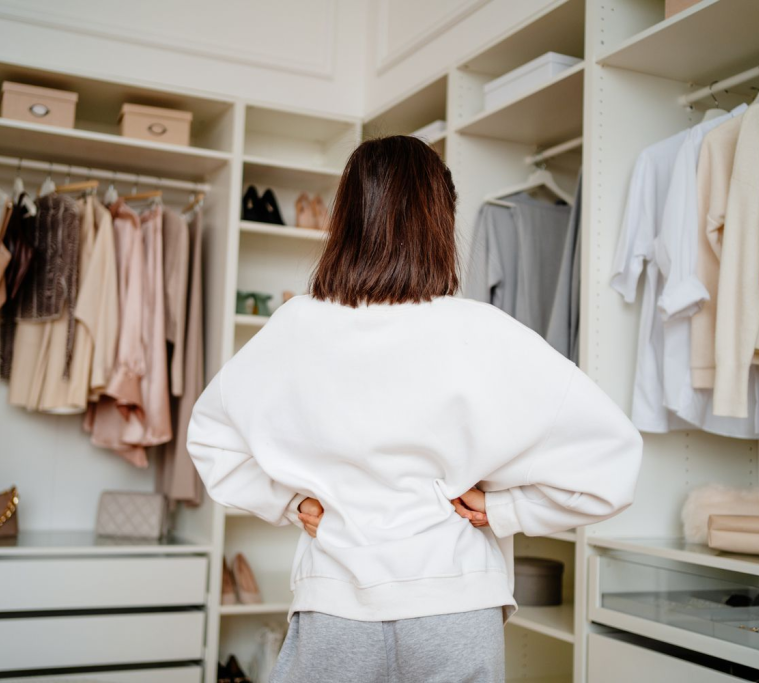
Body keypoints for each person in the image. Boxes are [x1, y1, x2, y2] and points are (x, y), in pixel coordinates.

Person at [188, 135, 643, 683]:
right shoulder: (487, 331)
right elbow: (613, 467)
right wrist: (502, 511)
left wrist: (288, 502)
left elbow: (211, 439)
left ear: (345, 218)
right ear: (440, 221)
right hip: (456, 605)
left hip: (335, 606)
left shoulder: (294, 325)